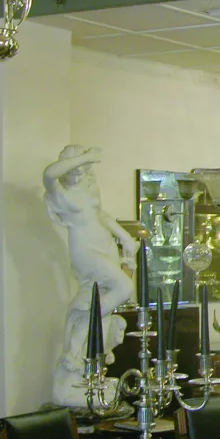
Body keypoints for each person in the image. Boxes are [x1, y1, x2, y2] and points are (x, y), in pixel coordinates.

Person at [44, 146, 139, 407]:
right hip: (85, 251)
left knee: (98, 298)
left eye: (82, 169)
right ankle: (84, 334)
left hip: (104, 246)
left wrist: (124, 237)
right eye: (73, 168)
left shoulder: (89, 187)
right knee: (123, 287)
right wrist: (85, 157)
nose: (78, 173)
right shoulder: (60, 193)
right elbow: (49, 174)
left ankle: (82, 356)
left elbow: (101, 215)